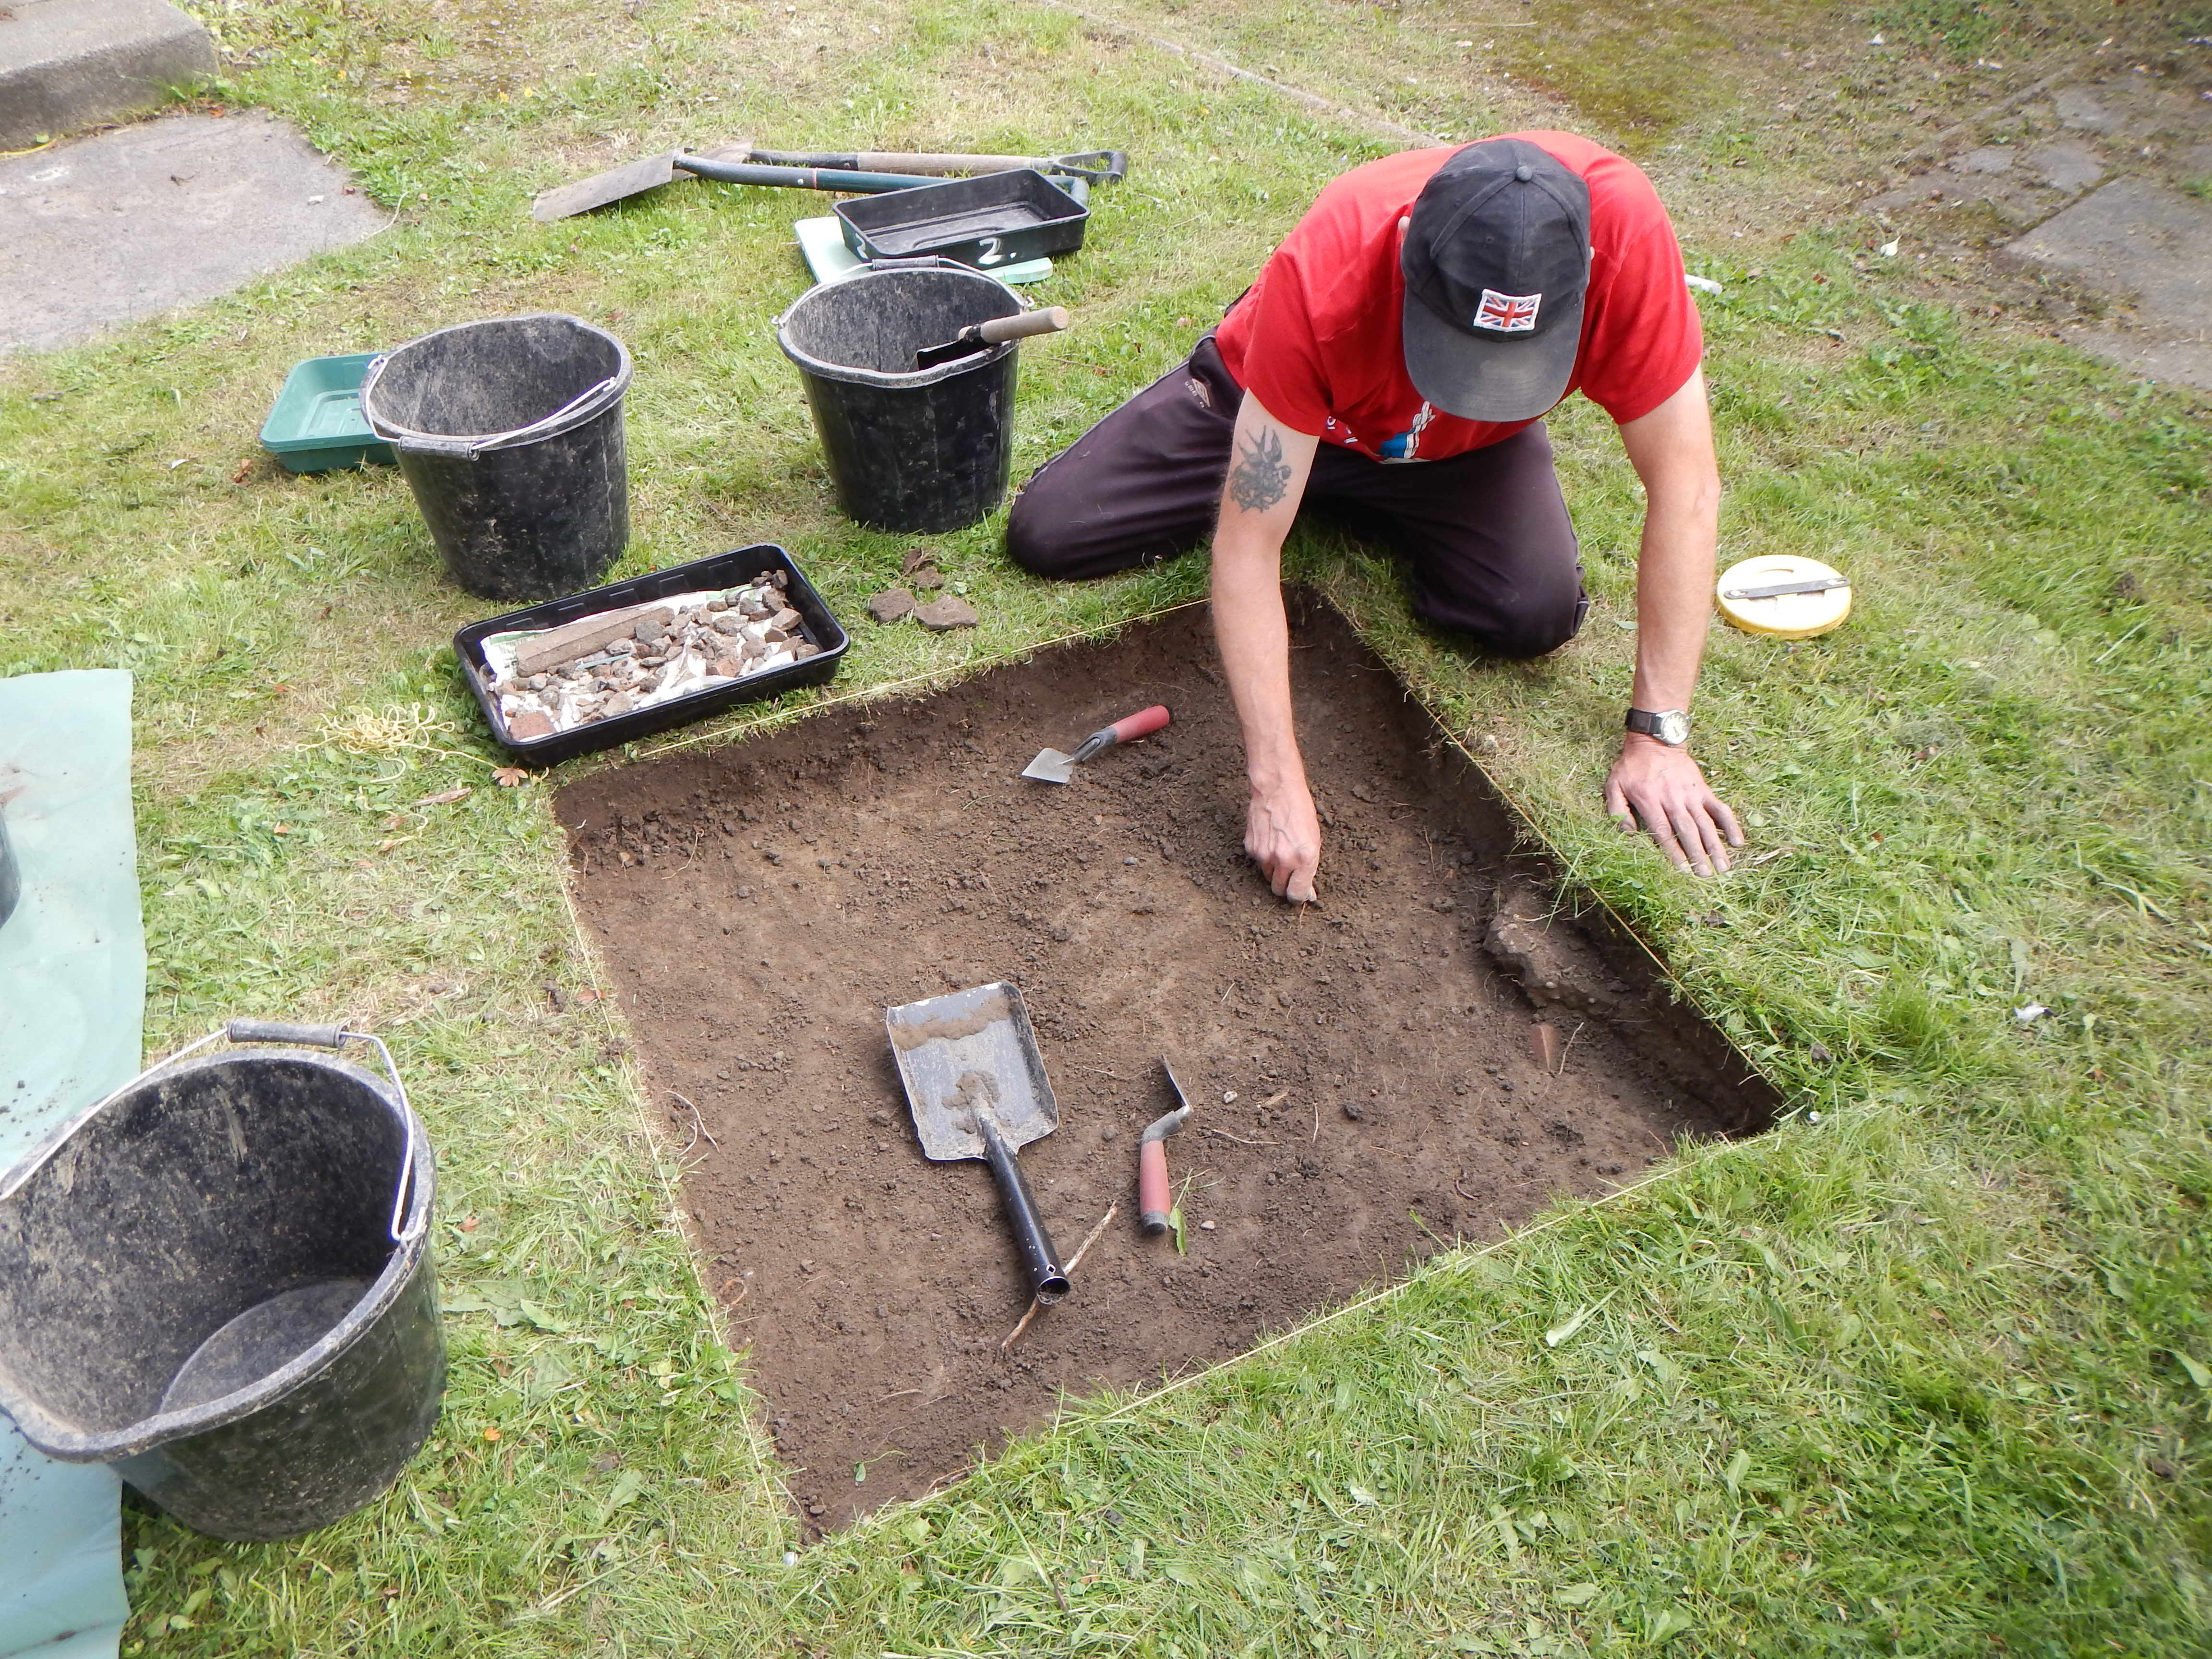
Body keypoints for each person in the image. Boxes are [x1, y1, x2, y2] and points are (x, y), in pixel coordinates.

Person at [1006, 131, 1743, 897]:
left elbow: (1687, 488)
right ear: (1404, 246)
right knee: (1054, 532)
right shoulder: (1328, 268)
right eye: (1456, 348)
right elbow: (1250, 547)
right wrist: (1276, 780)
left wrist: (1659, 734)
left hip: (1462, 449)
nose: (1474, 371)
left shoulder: (1625, 239)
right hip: (1291, 415)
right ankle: (1312, 475)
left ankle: (1379, 501)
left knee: (1531, 614)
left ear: (1584, 276)